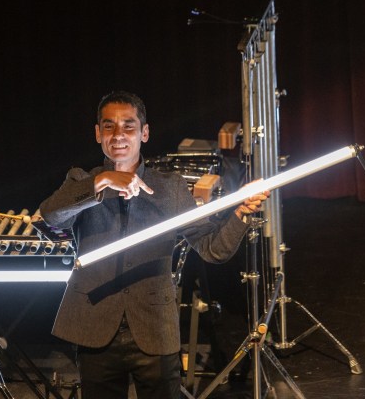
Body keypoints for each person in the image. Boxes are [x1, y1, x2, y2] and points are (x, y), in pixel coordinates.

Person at [39, 91, 269, 399]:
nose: (118, 135)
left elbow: (213, 249)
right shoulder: (81, 181)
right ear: (98, 133)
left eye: (128, 126)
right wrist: (103, 180)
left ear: (144, 133)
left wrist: (240, 211)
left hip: (153, 327)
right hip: (94, 326)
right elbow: (52, 215)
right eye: (109, 126)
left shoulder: (170, 187)